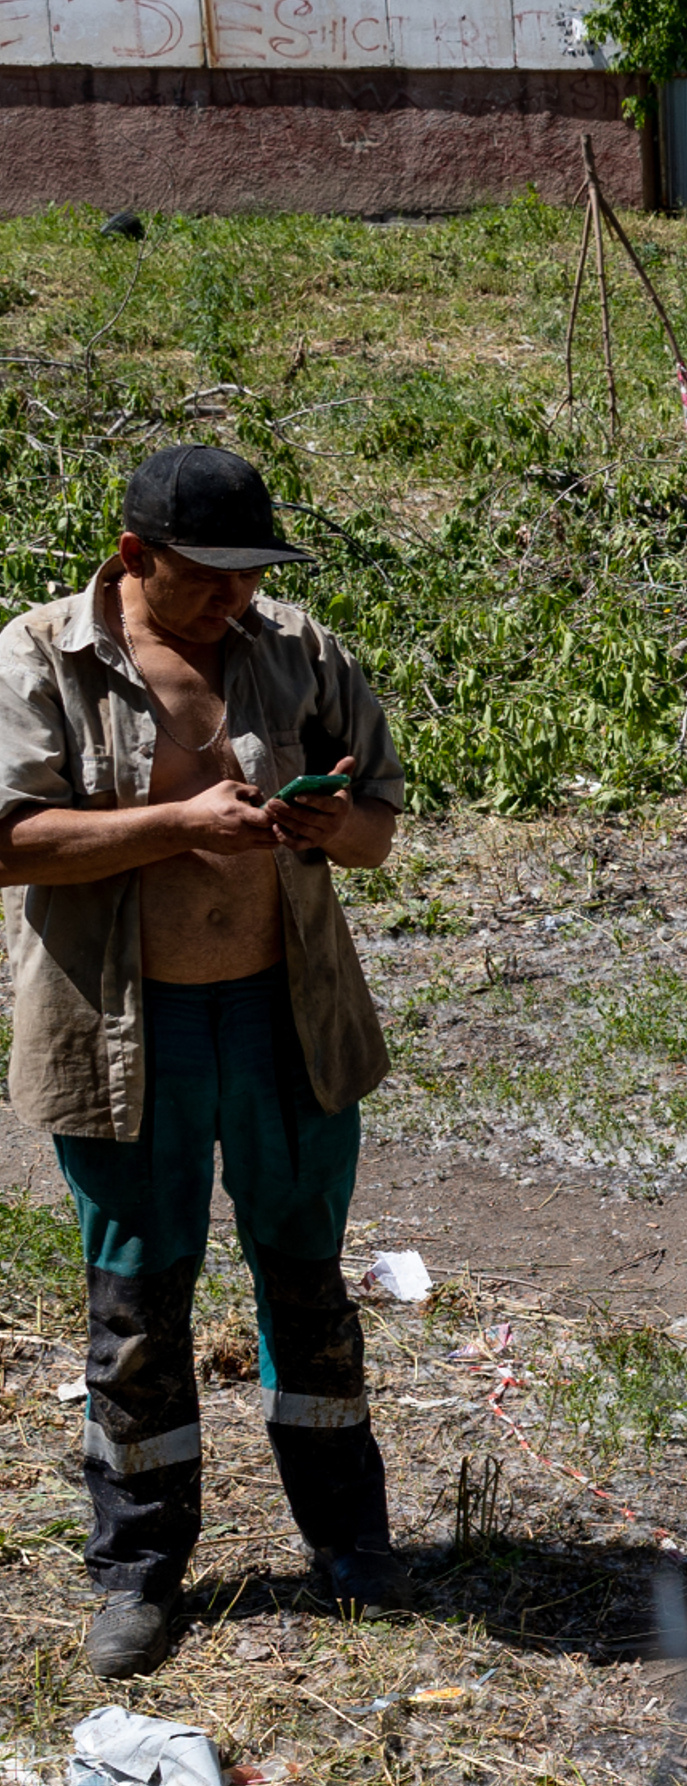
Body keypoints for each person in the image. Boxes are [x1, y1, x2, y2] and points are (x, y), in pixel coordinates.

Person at [0, 445, 412, 1681]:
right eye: (208, 577)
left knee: (306, 1281)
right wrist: (179, 824)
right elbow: (11, 842)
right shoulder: (40, 658)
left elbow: (383, 830)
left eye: (252, 575)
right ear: (134, 559)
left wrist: (338, 825)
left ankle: (350, 1547)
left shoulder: (301, 653)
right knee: (136, 1304)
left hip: (288, 1020)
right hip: (125, 1032)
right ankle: (138, 1575)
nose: (237, 599)